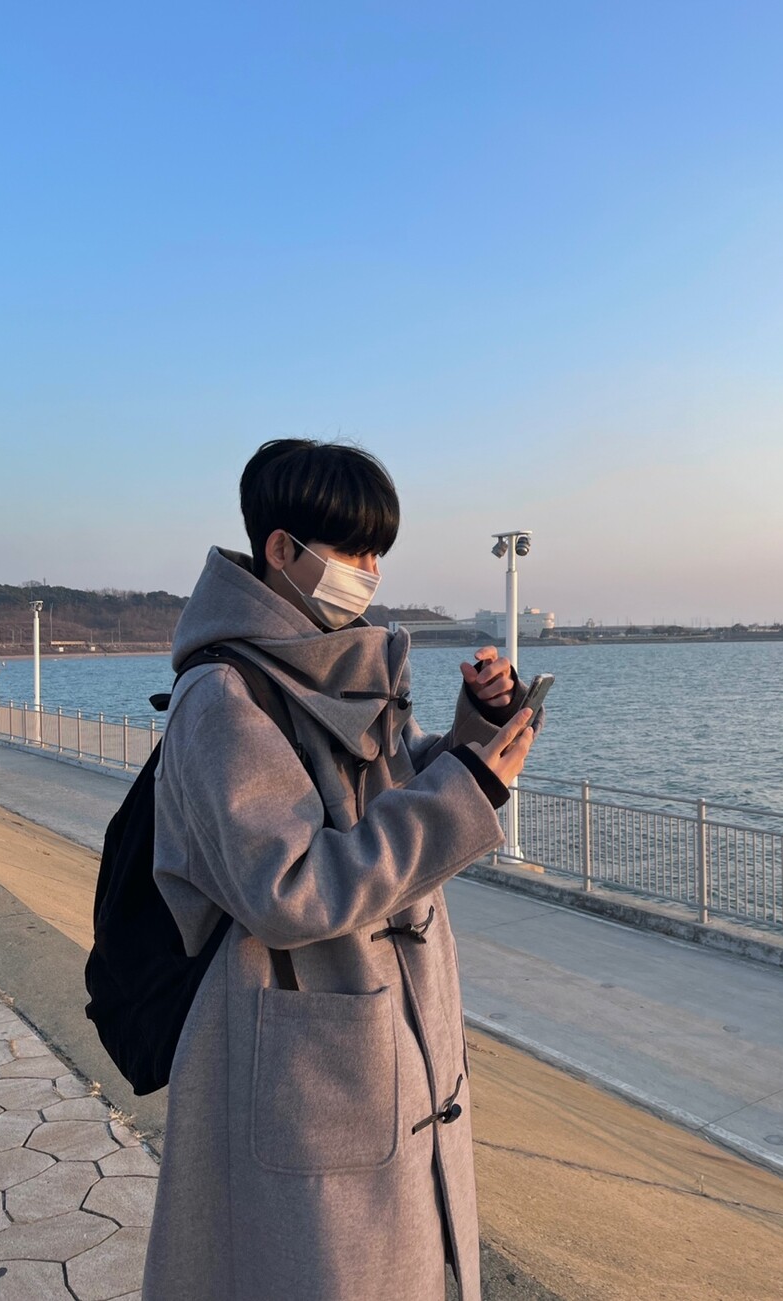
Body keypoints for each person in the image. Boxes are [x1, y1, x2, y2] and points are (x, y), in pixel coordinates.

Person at [143, 438, 536, 1301]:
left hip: (386, 1039)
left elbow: (390, 787)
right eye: (353, 551)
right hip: (296, 1043)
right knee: (302, 1268)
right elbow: (286, 885)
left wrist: (476, 734)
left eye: (377, 552)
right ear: (281, 549)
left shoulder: (343, 662)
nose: (370, 572)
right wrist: (465, 795)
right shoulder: (222, 696)